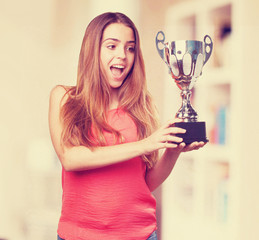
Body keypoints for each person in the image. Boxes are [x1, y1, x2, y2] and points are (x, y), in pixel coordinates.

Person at [48, 12, 205, 240]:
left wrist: (172, 151)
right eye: (112, 46)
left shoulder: (142, 105)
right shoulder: (64, 97)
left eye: (130, 48)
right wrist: (146, 144)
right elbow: (70, 158)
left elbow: (146, 182)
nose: (122, 55)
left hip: (140, 234)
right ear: (93, 50)